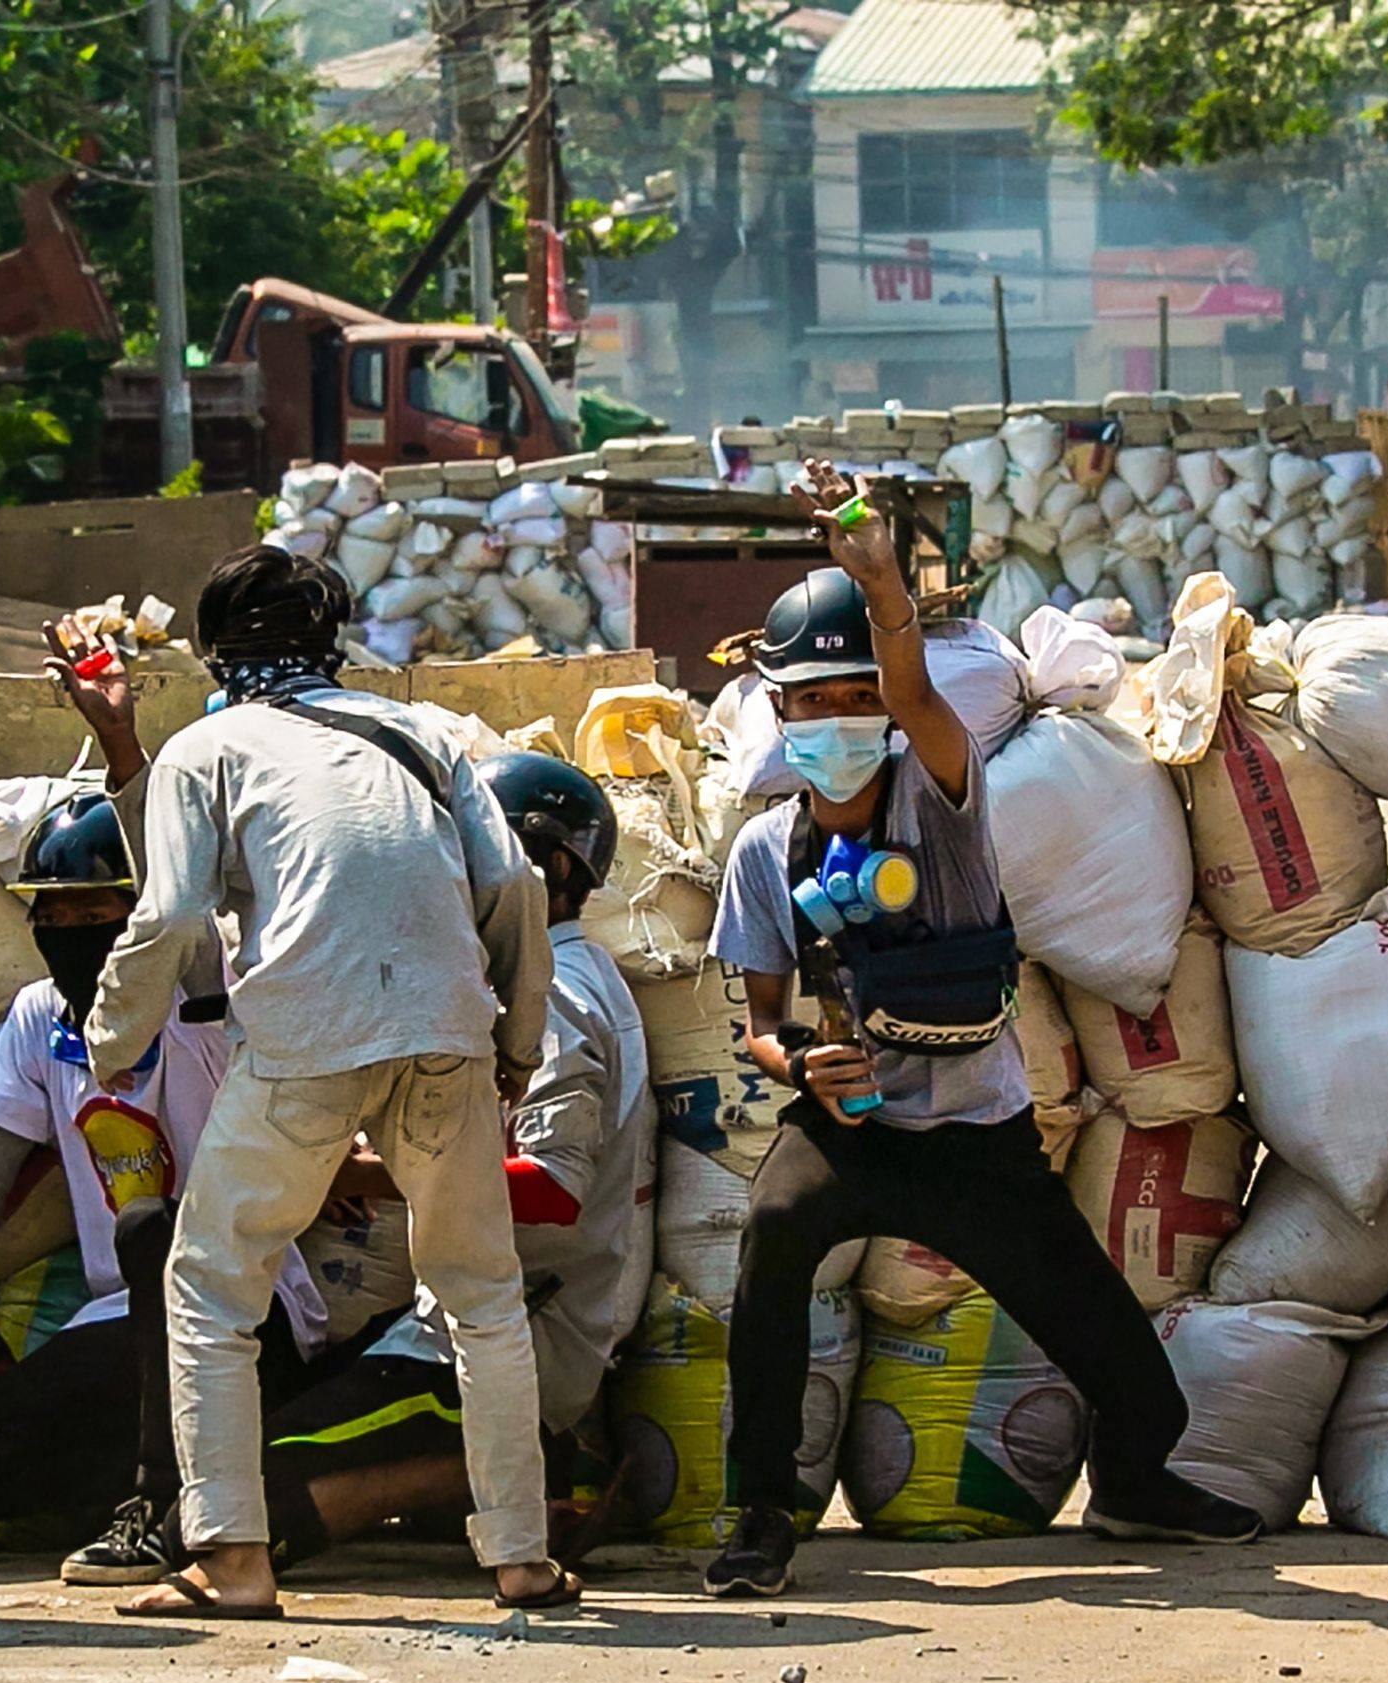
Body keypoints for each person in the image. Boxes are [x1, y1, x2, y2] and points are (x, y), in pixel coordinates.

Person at [700, 460, 1265, 1601]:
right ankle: (760, 1509)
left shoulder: (940, 801)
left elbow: (916, 693)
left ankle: (1137, 1482)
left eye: (854, 699)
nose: (837, 721)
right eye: (810, 705)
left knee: (1134, 1379)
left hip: (981, 1132)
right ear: (777, 715)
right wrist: (795, 1061)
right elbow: (757, 1022)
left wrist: (881, 584)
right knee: (768, 1254)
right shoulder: (764, 853)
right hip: (849, 1128)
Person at [85, 546, 570, 1619]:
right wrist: (516, 1042)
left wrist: (112, 1040)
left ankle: (233, 1558)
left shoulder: (206, 746)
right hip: (447, 1032)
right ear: (330, 642)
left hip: (306, 1041)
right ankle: (521, 1558)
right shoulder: (427, 734)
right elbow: (511, 885)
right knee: (482, 1298)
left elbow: (168, 915)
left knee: (211, 1287)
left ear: (215, 654)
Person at [0, 635, 339, 1586]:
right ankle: (201, 1484)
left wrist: (124, 745)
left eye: (103, 921)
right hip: (126, 1325)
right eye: (58, 919)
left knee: (153, 1228)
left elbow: (179, 895)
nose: (78, 940)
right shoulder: (39, 1017)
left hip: (251, 1312)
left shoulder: (201, 993)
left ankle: (156, 1501)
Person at [262, 753, 656, 1573]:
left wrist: (370, 1176)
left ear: (547, 870)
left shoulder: (559, 998)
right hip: (453, 1327)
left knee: (250, 1495)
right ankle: (481, 1491)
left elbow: (552, 1188)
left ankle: (507, 1474)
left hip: (500, 1347)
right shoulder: (522, 978)